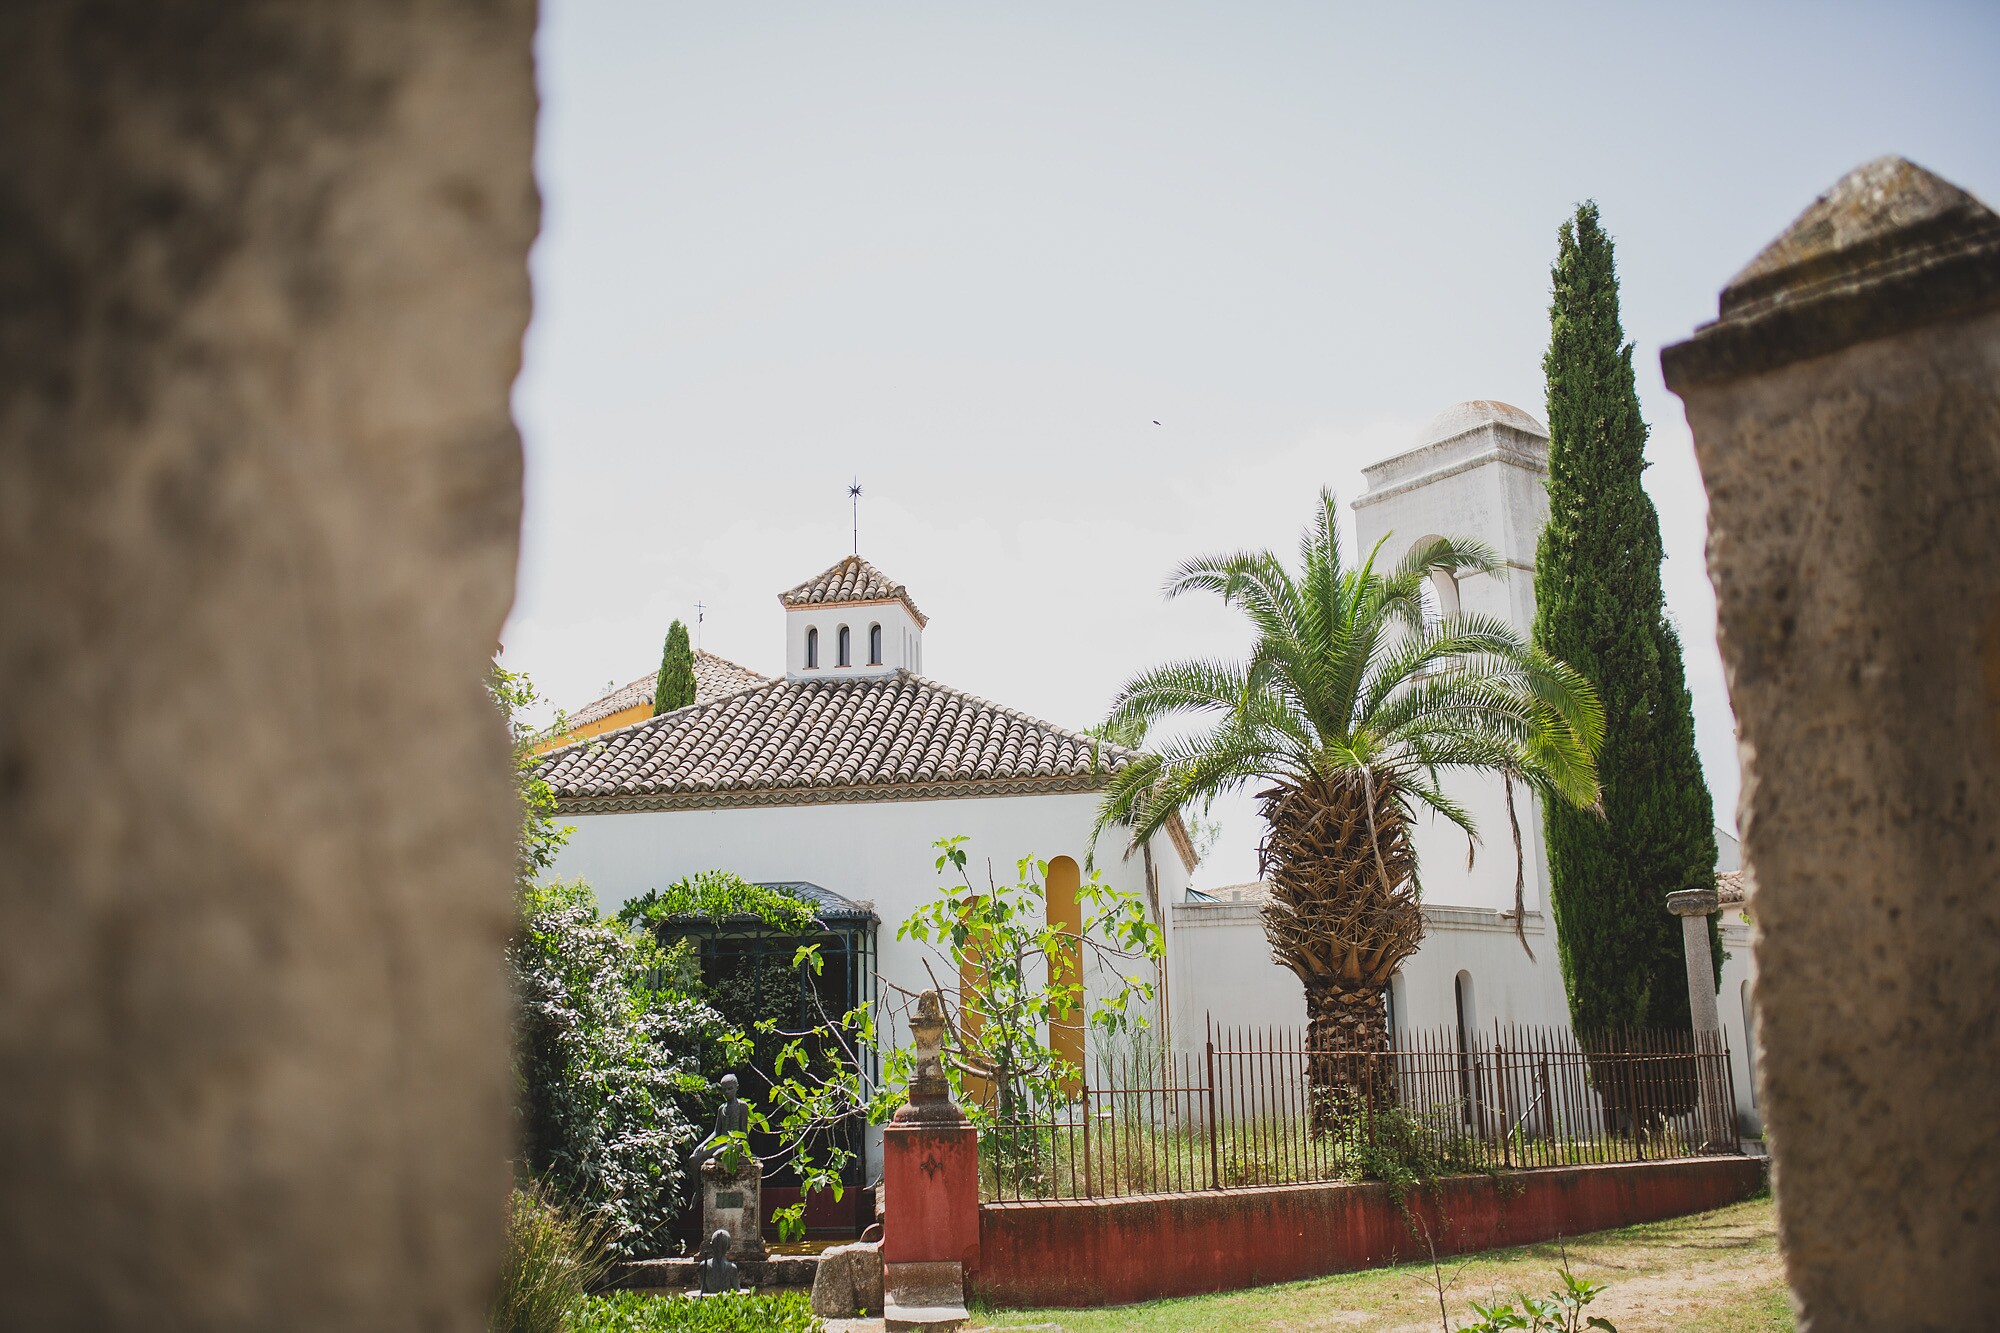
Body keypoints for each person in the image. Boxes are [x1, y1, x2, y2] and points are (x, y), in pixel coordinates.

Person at [688, 1073, 750, 1173]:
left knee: (717, 1154)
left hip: (735, 1143)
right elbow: (716, 1131)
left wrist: (743, 1148)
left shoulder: (742, 1106)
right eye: (724, 1089)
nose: (727, 1092)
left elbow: (744, 1132)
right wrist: (703, 1144)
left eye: (730, 1089)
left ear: (736, 1088)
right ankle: (698, 1189)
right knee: (693, 1158)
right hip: (721, 1141)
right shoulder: (722, 1108)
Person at [697, 1228, 739, 1295]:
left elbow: (703, 1291)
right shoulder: (732, 1268)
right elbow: (737, 1291)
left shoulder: (703, 1266)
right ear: (729, 1247)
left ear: (711, 1245)